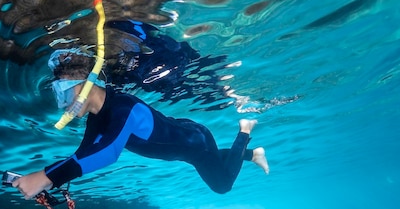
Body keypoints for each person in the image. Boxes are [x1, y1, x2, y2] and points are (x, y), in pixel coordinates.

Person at [13, 49, 269, 199]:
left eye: (65, 93)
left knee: (222, 186)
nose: (63, 103)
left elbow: (107, 154)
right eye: (59, 95)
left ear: (86, 86)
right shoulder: (97, 117)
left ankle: (244, 131)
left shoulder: (124, 109)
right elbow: (83, 154)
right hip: (187, 139)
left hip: (195, 142)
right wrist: (46, 178)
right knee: (205, 159)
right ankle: (252, 154)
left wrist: (47, 177)